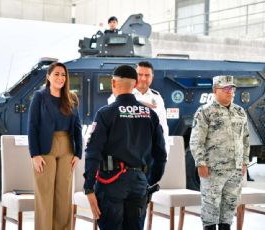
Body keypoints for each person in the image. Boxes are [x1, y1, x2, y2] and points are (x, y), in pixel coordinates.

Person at [84, 64, 167, 230]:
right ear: (135, 84)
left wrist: (88, 187)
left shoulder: (106, 113)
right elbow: (160, 154)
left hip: (111, 182)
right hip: (139, 183)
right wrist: (149, 180)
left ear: (113, 83)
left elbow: (93, 152)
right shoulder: (149, 114)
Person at [190, 75, 249, 230]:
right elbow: (196, 140)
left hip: (235, 170)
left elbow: (246, 139)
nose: (231, 92)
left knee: (229, 210)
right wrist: (200, 163)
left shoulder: (240, 112)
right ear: (215, 90)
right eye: (227, 88)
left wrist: (244, 162)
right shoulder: (205, 112)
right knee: (211, 208)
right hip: (212, 170)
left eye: (233, 88)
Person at [28, 62, 82, 230]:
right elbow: (32, 126)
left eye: (63, 75)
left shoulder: (71, 98)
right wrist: (34, 154)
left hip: (66, 147)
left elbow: (77, 127)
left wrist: (78, 153)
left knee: (63, 195)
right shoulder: (39, 96)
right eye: (57, 74)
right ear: (48, 76)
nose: (60, 78)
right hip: (45, 148)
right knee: (45, 194)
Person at [108, 61, 169, 154]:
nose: (143, 78)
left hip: (149, 154)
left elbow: (163, 129)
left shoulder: (157, 98)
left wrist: (165, 155)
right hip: (126, 152)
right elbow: (112, 107)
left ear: (152, 77)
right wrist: (135, 103)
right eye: (140, 75)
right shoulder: (121, 93)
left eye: (147, 75)